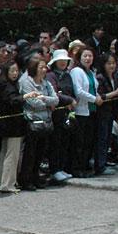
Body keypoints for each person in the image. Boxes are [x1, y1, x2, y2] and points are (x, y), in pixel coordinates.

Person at [20, 56, 57, 190]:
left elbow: (56, 100)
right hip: (33, 121)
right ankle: (26, 179)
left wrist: (44, 99)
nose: (44, 69)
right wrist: (47, 103)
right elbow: (33, 103)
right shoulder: (26, 82)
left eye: (45, 67)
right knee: (30, 153)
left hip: (46, 121)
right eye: (41, 67)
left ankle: (36, 177)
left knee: (40, 152)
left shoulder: (46, 83)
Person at [70, 48, 103, 177]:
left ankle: (84, 166)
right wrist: (95, 99)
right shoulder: (77, 71)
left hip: (92, 111)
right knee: (79, 142)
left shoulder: (91, 72)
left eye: (90, 56)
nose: (88, 58)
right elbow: (78, 91)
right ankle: (77, 168)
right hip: (81, 111)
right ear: (80, 57)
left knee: (88, 141)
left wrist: (97, 97)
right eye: (85, 56)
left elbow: (94, 89)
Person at [46, 49, 76, 182]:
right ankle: (54, 169)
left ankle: (61, 167)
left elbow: (71, 91)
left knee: (65, 140)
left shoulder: (68, 76)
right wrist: (68, 100)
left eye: (65, 60)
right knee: (55, 142)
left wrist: (71, 100)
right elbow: (54, 93)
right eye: (60, 60)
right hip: (55, 112)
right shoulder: (51, 75)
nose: (63, 62)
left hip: (67, 112)